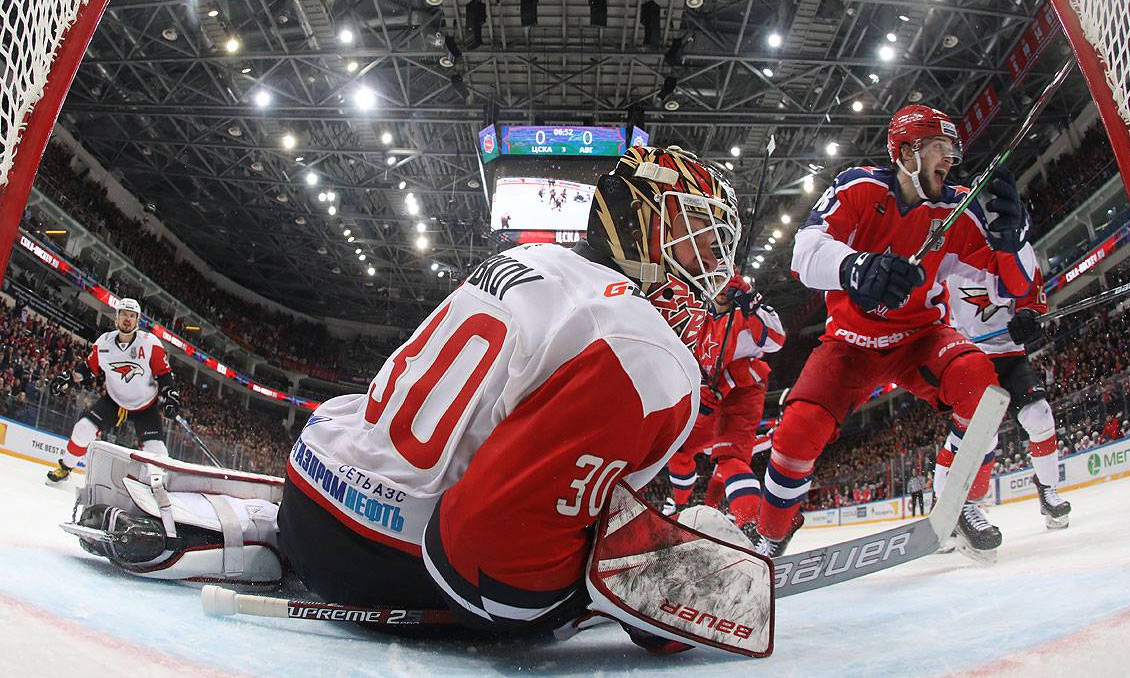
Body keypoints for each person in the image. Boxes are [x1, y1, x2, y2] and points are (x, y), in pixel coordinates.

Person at [275, 145, 773, 655]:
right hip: (388, 557)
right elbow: (486, 554)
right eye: (700, 238)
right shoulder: (643, 346)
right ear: (638, 217)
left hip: (310, 487)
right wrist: (636, 591)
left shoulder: (524, 258)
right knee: (673, 537)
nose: (714, 265)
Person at [752, 104, 1037, 559]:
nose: (951, 158)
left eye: (952, 149)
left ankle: (961, 502)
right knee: (796, 431)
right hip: (850, 346)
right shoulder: (859, 187)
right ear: (907, 151)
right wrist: (856, 267)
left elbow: (1011, 287)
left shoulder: (957, 209)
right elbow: (804, 252)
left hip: (921, 338)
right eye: (940, 147)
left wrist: (1015, 242)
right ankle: (769, 534)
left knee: (980, 386)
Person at [939, 264, 1071, 529]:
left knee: (1040, 415)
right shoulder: (948, 253)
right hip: (969, 358)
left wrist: (1029, 315)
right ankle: (950, 508)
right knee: (981, 436)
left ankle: (1047, 490)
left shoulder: (1012, 244)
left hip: (1011, 355)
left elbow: (1032, 295)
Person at [664, 273, 785, 526]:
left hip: (741, 394)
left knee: (729, 459)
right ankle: (679, 509)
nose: (719, 288)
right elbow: (691, 361)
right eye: (714, 281)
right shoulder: (698, 316)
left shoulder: (749, 312)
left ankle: (754, 528)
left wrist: (751, 303)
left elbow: (776, 341)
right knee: (677, 447)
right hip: (711, 397)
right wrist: (699, 388)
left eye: (724, 281)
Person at [46, 297, 181, 483]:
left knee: (157, 452)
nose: (127, 318)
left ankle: (161, 487)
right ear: (116, 318)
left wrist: (170, 395)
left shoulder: (150, 343)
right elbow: (88, 368)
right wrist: (68, 379)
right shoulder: (104, 343)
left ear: (137, 320)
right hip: (114, 402)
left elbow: (164, 374)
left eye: (132, 315)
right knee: (82, 429)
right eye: (123, 314)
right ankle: (65, 468)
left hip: (145, 407)